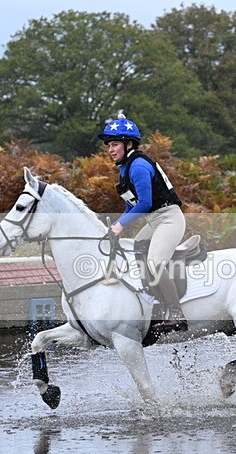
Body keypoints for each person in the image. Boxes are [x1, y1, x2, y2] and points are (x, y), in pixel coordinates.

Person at [98, 112, 187, 330]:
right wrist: (115, 226)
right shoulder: (126, 168)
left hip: (168, 219)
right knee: (138, 247)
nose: (110, 149)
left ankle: (177, 314)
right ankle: (155, 299)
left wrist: (121, 225)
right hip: (155, 221)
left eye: (115, 144)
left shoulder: (137, 166)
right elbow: (131, 205)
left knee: (155, 263)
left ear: (128, 144)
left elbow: (145, 203)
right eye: (108, 145)